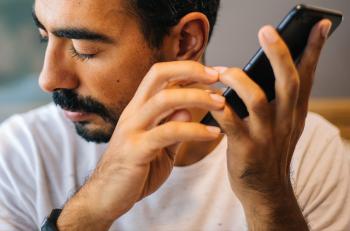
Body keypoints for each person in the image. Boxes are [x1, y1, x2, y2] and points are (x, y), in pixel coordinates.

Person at [0, 0, 349, 230]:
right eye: (44, 38)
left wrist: (268, 194)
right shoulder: (22, 151)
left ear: (185, 42)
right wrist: (87, 214)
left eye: (83, 49)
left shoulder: (309, 153)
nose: (48, 79)